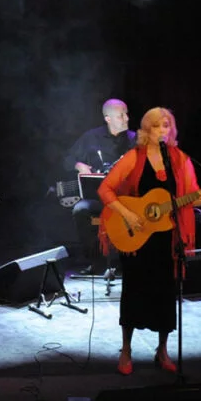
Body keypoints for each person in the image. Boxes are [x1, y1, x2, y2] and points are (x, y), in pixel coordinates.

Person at [97, 107, 201, 375]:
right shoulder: (134, 157)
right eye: (158, 126)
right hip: (136, 237)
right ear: (147, 130)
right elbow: (105, 189)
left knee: (165, 294)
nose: (163, 131)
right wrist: (128, 214)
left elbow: (191, 195)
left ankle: (162, 350)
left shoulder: (180, 160)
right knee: (134, 292)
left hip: (167, 239)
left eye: (167, 125)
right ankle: (126, 350)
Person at [62, 98, 136, 274]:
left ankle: (127, 260)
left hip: (127, 199)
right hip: (99, 198)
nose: (126, 118)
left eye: (126, 114)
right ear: (108, 119)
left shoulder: (135, 139)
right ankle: (97, 262)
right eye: (121, 115)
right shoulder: (91, 137)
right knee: (81, 210)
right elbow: (67, 160)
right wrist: (79, 165)